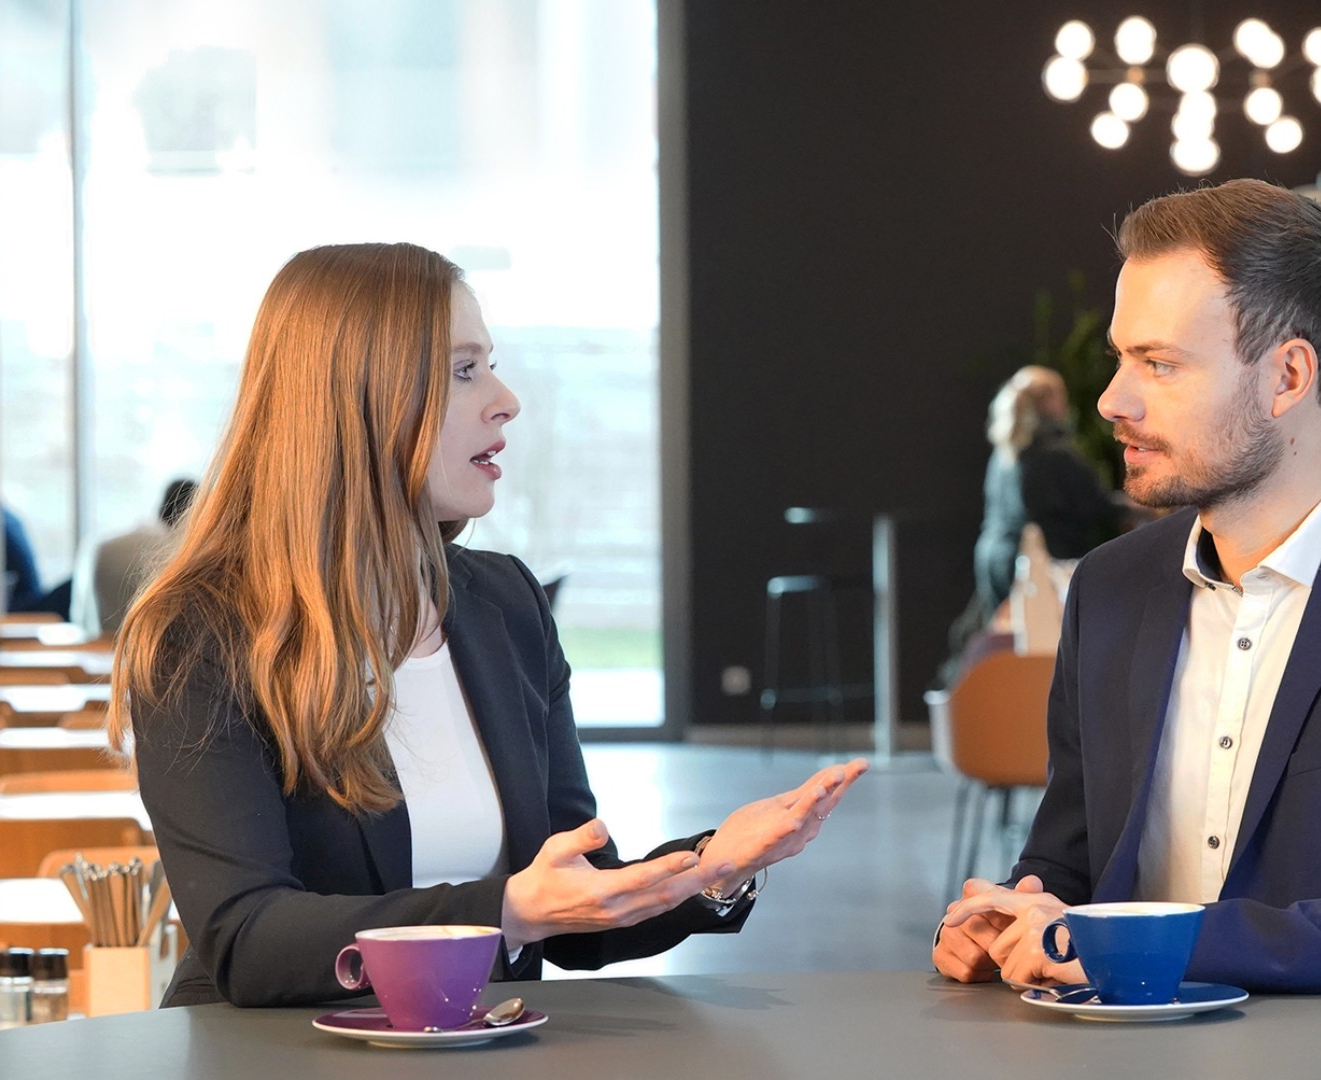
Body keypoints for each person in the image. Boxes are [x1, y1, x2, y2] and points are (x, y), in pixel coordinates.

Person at [111, 242, 867, 1008]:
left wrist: (709, 869)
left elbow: (574, 907)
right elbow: (248, 938)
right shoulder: (199, 633)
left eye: (490, 365)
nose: (505, 398)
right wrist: (501, 913)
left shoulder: (505, 604)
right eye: (464, 371)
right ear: (357, 400)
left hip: (479, 1048)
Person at [933, 180, 1321, 995]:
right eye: (1122, 357)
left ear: (1287, 376)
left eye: (1159, 362)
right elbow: (1069, 862)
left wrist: (1142, 944)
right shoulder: (1111, 589)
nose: (1113, 400)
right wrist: (1014, 917)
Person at [970, 366, 1118, 616]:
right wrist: (1137, 509)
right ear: (1050, 401)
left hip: (992, 556)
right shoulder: (1055, 452)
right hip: (1035, 564)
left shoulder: (1006, 449)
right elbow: (1094, 505)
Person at [71, 478, 198, 636]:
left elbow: (79, 614)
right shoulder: (180, 554)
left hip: (94, 645)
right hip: (147, 650)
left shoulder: (100, 546)